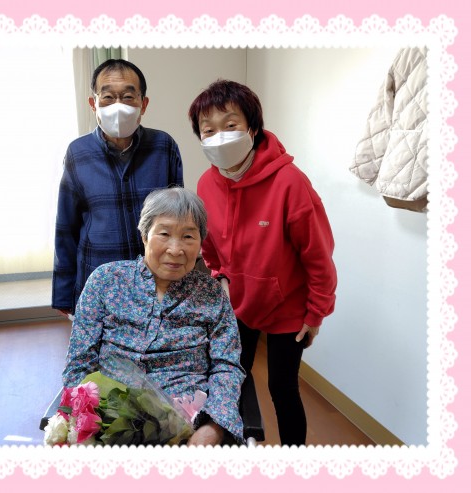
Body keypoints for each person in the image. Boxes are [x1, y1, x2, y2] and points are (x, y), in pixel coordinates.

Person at [188, 79, 337, 446]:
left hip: (289, 307)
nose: (220, 137)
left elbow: (318, 255)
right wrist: (219, 275)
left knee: (282, 389)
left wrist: (316, 313)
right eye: (209, 130)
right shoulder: (206, 184)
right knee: (231, 378)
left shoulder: (290, 183)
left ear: (252, 128)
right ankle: (237, 449)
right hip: (239, 302)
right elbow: (209, 243)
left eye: (230, 125)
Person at [62, 187, 245, 445]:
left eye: (188, 236)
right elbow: (79, 363)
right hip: (109, 422)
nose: (175, 249)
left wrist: (213, 428)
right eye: (164, 234)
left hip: (187, 427)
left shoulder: (211, 294)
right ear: (144, 235)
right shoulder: (105, 281)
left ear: (200, 242)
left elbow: (227, 366)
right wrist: (84, 421)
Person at [52, 59, 183, 318]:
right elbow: (66, 227)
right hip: (98, 283)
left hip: (155, 282)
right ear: (94, 104)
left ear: (143, 104)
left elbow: (179, 220)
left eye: (128, 96)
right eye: (108, 97)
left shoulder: (163, 146)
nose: (118, 105)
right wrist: (64, 294)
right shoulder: (78, 152)